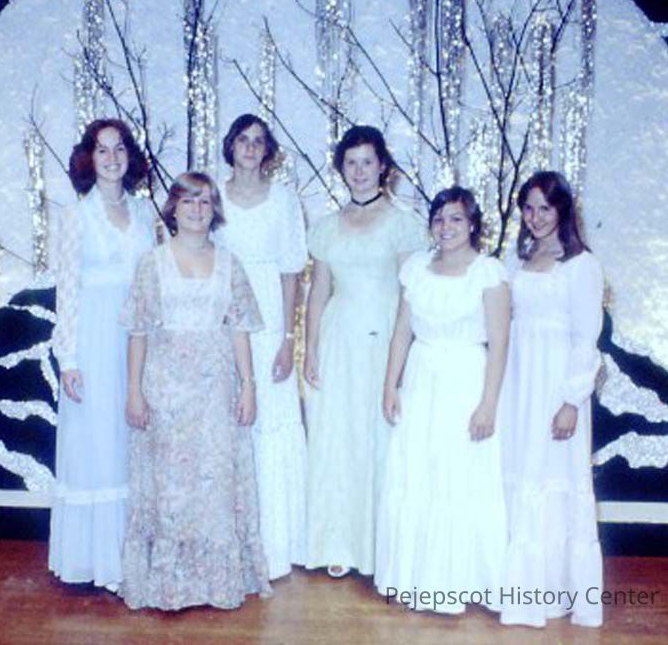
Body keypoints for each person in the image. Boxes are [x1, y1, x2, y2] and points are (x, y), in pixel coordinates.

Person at [120, 172, 272, 610]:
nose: (197, 210)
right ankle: (169, 585)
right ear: (174, 209)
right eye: (188, 201)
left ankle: (213, 584)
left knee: (214, 486)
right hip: (165, 390)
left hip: (215, 393)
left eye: (205, 201)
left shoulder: (230, 264)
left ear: (214, 210)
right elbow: (137, 332)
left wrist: (248, 387)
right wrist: (134, 391)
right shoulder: (152, 263)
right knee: (170, 488)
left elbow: (240, 329)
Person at [374, 187, 510, 615]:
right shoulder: (416, 269)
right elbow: (401, 332)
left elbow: (500, 344)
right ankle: (415, 577)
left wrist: (488, 404)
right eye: (439, 219)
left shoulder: (488, 274)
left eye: (455, 218)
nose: (446, 227)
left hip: (465, 381)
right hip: (421, 379)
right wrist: (390, 385)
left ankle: (458, 581)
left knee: (458, 474)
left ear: (472, 224)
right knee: (417, 471)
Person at [303, 125, 426, 578]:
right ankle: (340, 543)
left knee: (379, 437)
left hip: (384, 339)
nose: (358, 171)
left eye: (367, 162)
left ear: (383, 167)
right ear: (341, 168)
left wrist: (402, 358)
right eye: (351, 163)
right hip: (339, 340)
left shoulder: (403, 224)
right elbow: (318, 291)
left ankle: (380, 547)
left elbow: (410, 293)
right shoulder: (326, 227)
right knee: (338, 437)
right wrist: (310, 348)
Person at [49, 119, 156, 590]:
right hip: (93, 339)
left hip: (137, 340)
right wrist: (68, 358)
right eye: (102, 150)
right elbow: (67, 290)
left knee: (131, 441)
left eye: (119, 149)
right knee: (96, 442)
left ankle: (131, 558)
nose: (112, 158)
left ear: (130, 156)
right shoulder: (76, 216)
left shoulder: (146, 214)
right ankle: (97, 561)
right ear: (89, 159)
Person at [498, 171, 605, 628]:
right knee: (520, 471)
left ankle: (552, 591)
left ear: (562, 209)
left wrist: (570, 401)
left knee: (553, 476)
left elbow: (586, 340)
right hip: (518, 384)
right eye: (528, 207)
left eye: (545, 207)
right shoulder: (516, 260)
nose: (536, 217)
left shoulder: (581, 266)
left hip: (557, 387)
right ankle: (515, 589)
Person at [213, 113, 308, 580]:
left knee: (271, 422)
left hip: (269, 318)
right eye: (243, 140)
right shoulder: (211, 195)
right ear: (230, 146)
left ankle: (275, 545)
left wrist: (288, 339)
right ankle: (232, 543)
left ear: (267, 151)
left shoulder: (284, 199)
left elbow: (292, 272)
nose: (250, 148)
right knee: (230, 422)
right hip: (223, 319)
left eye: (258, 141)